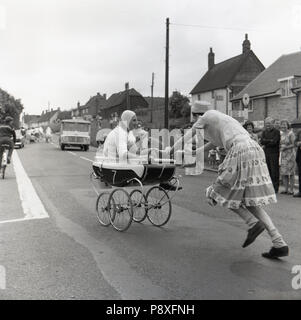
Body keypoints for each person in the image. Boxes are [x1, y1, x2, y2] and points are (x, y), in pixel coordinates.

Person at [169, 109, 289, 259]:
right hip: (253, 149)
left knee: (218, 192)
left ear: (197, 115)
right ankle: (279, 243)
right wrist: (196, 152)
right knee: (248, 201)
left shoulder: (206, 117)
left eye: (194, 118)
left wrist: (171, 151)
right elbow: (213, 143)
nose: (194, 122)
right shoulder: (221, 119)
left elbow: (187, 136)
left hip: (240, 150)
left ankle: (252, 223)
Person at [260, 117, 280, 193]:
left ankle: (275, 188)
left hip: (274, 153)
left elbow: (274, 142)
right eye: (266, 123)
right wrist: (269, 141)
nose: (267, 125)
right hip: (266, 153)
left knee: (274, 171)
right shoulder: (264, 132)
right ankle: (269, 187)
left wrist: (266, 141)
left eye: (269, 123)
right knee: (267, 170)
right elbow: (262, 141)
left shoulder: (276, 132)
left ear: (272, 123)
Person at [279, 120, 295, 195]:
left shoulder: (291, 133)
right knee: (284, 173)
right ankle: (286, 189)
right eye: (282, 125)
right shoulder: (281, 134)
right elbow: (280, 143)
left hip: (290, 155)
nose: (283, 126)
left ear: (287, 125)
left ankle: (291, 190)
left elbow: (294, 144)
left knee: (291, 173)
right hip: (283, 155)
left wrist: (286, 148)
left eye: (284, 125)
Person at [293, 127, 301, 198]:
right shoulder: (299, 131)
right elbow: (295, 142)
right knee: (300, 174)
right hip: (300, 155)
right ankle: (300, 191)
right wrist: (297, 143)